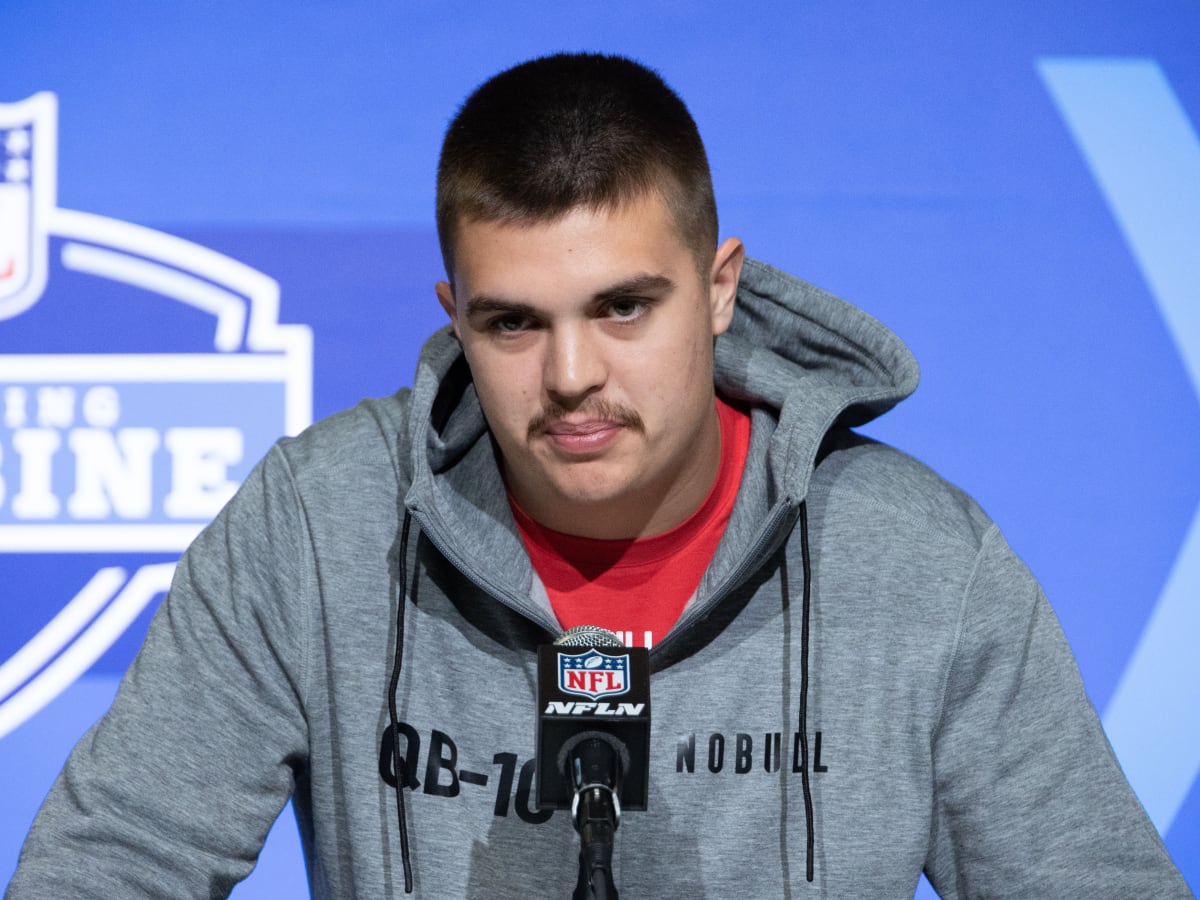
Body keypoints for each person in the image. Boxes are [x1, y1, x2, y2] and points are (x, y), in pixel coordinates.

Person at [7, 53, 1191, 899]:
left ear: (721, 286)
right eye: (514, 323)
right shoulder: (317, 527)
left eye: (625, 306)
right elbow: (113, 862)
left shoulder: (923, 566)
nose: (571, 376)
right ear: (453, 319)